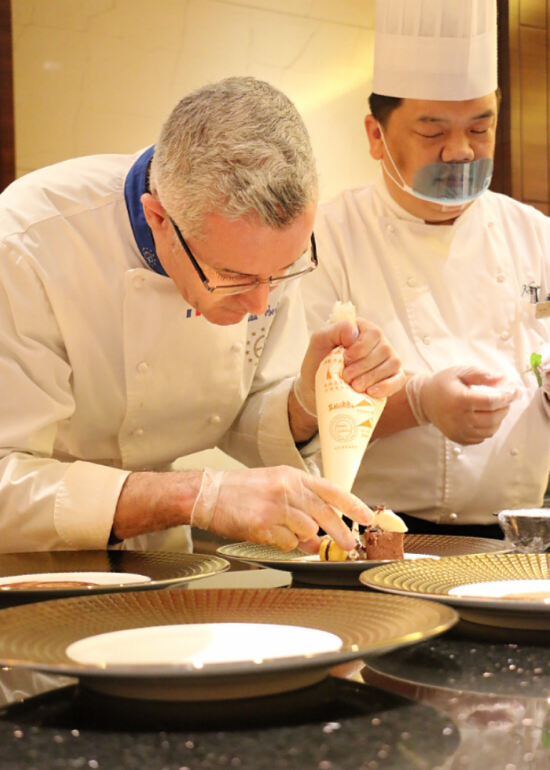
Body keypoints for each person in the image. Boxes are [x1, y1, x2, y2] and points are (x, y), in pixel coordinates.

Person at [0, 76, 404, 555]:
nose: (260, 302)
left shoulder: (261, 261)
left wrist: (310, 397)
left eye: (283, 271)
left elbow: (235, 411)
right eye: (232, 277)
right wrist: (201, 496)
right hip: (32, 569)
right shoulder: (27, 244)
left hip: (167, 561)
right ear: (157, 220)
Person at [302, 0, 550, 537]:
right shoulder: (325, 238)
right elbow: (302, 411)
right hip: (369, 533)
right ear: (376, 134)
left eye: (480, 130)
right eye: (433, 131)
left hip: (515, 536)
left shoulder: (537, 235)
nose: (460, 151)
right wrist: (419, 401)